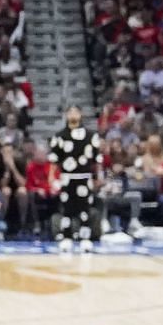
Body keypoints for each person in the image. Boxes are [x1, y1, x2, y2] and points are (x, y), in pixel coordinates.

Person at [48, 105, 100, 251]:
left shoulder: (91, 136)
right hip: (67, 177)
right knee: (67, 209)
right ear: (66, 115)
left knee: (85, 209)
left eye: (76, 111)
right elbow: (54, 160)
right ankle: (66, 237)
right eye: (70, 112)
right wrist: (52, 178)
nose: (73, 114)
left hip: (84, 176)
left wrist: (98, 177)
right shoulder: (60, 136)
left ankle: (85, 238)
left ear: (81, 114)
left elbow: (97, 160)